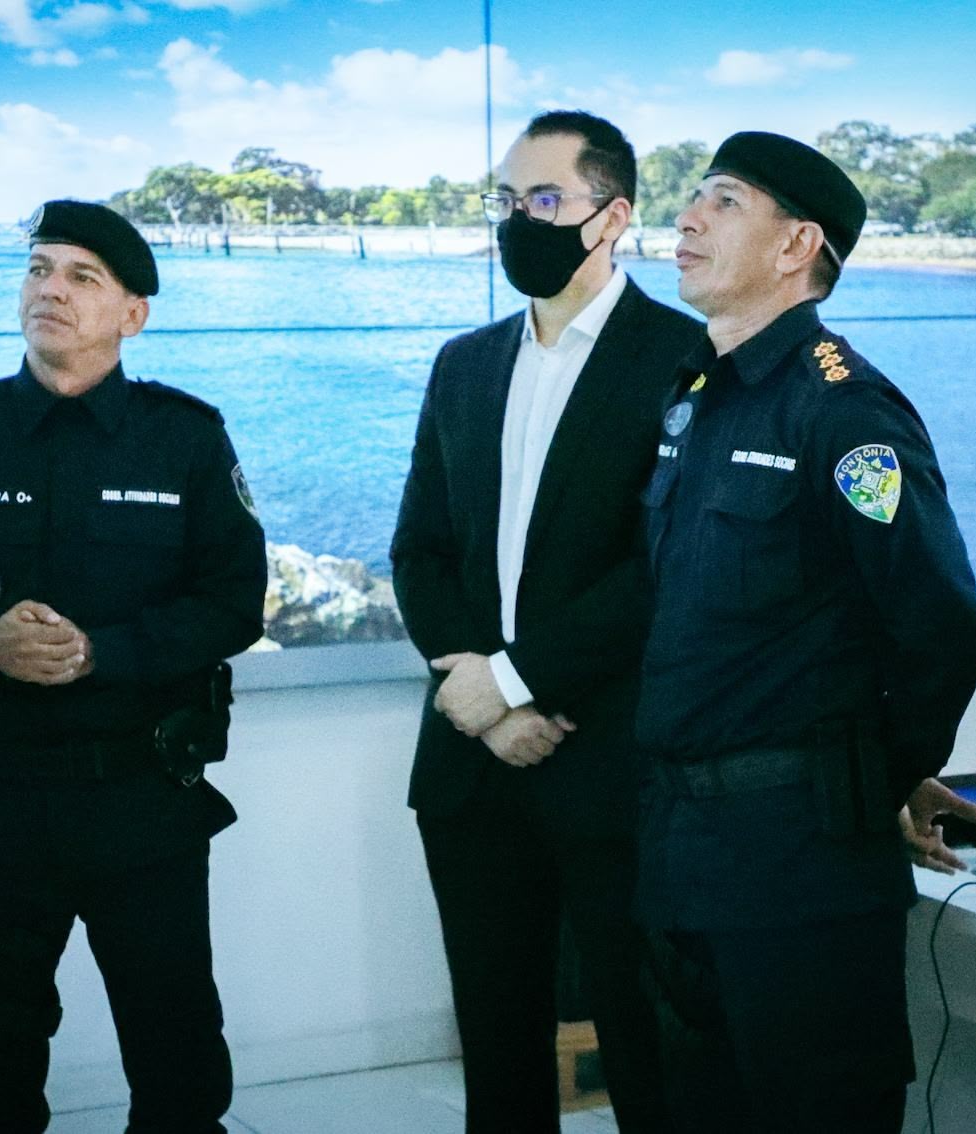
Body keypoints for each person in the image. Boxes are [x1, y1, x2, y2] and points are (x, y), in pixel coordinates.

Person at [0, 199, 266, 1134]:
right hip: (0, 806)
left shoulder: (186, 439)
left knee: (180, 1062)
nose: (51, 290)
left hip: (144, 802)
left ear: (132, 313)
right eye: (39, 269)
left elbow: (234, 602)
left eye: (83, 276)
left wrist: (104, 654)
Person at [631, 131, 976, 1131]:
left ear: (797, 246)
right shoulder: (694, 399)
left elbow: (939, 627)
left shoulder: (844, 413)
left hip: (798, 870)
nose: (689, 218)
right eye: (695, 199)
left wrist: (863, 778)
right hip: (683, 855)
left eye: (724, 202)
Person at [391, 109, 704, 1133]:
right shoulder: (465, 363)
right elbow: (419, 552)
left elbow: (663, 568)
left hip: (612, 764)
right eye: (504, 199)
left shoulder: (686, 359)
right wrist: (481, 703)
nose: (515, 220)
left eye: (543, 200)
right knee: (498, 1053)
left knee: (647, 1050)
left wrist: (518, 681)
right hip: (475, 765)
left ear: (611, 217)